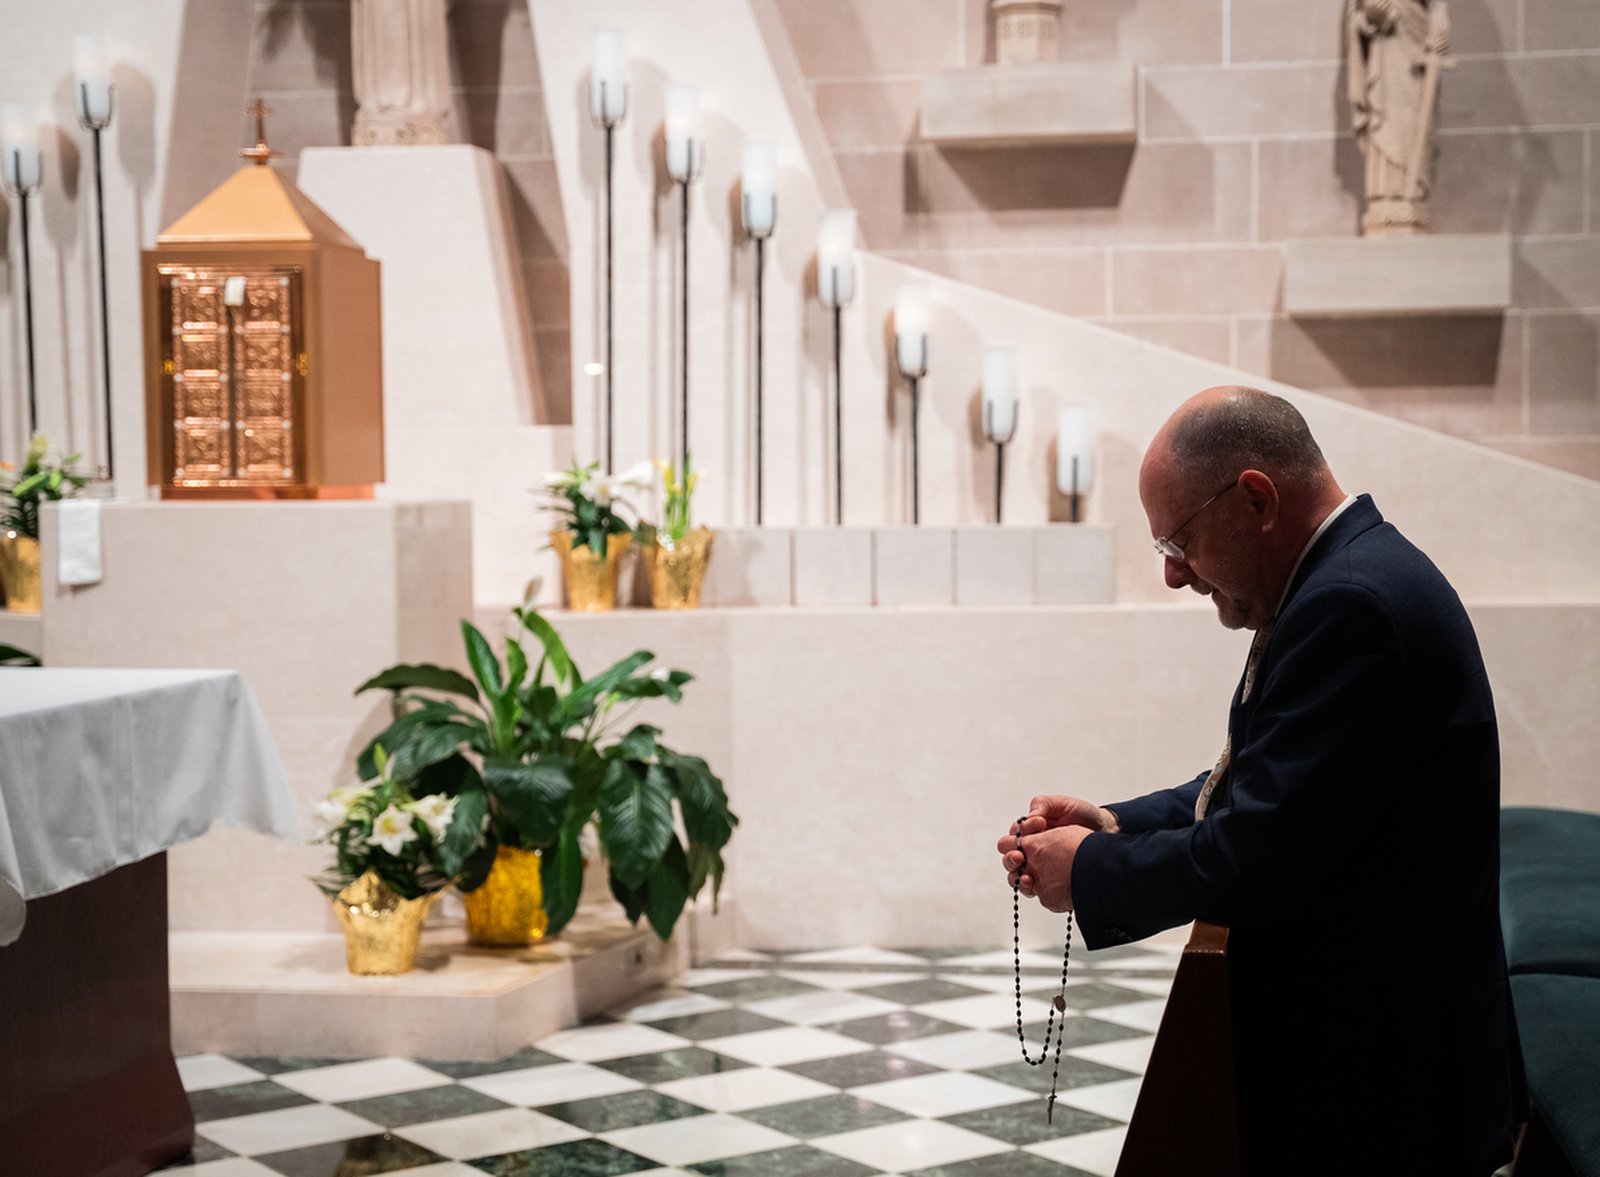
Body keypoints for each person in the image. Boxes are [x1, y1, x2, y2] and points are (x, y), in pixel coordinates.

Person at [999, 386, 1521, 1174]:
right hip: (1375, 1057)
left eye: (1179, 540)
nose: (1175, 574)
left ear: (1255, 498)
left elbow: (1258, 854)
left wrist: (1090, 870)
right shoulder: (1340, 578)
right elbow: (1267, 785)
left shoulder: (1350, 604)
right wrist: (1111, 822)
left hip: (1382, 1087)